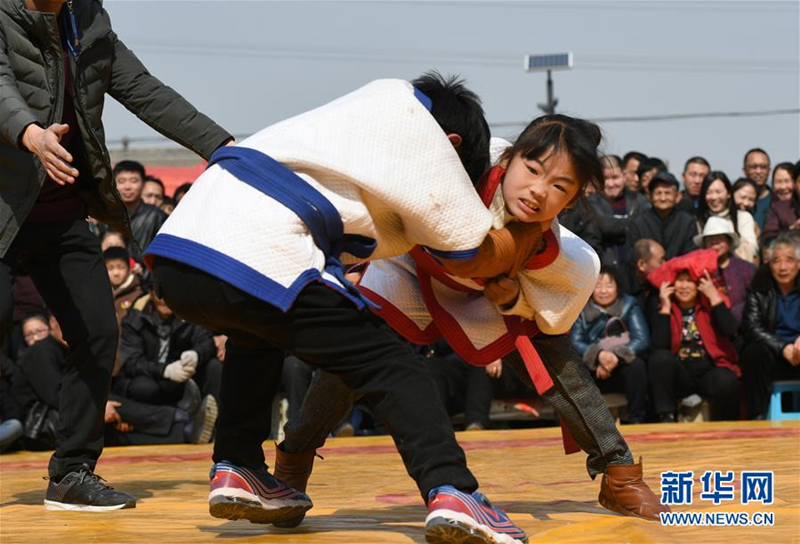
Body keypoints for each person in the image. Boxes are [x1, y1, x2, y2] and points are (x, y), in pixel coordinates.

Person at [146, 74, 532, 543]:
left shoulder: (361, 112)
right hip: (259, 250)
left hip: (176, 256)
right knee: (392, 366)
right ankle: (453, 490)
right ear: (451, 143)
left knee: (255, 333)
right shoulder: (423, 132)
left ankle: (238, 465)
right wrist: (533, 234)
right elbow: (470, 245)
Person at [270, 119, 668, 528]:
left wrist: (512, 298)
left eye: (559, 186)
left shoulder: (569, 259)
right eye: (533, 170)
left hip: (491, 294)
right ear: (509, 158)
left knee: (559, 362)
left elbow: (552, 324)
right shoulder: (467, 160)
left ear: (569, 203)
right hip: (413, 259)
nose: (538, 191)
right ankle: (293, 459)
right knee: (356, 355)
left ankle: (619, 473)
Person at [0, 0, 232, 510]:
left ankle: (72, 472)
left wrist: (222, 147)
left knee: (99, 330)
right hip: (2, 207)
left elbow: (145, 90)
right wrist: (29, 133)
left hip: (59, 211)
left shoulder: (88, 19)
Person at [647, 250, 741, 422]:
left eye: (689, 281)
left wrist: (713, 296)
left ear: (698, 284)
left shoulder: (709, 304)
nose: (684, 286)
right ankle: (665, 417)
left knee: (726, 380)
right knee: (659, 359)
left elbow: (730, 330)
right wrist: (665, 308)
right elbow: (659, 346)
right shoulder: (665, 306)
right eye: (680, 281)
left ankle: (728, 424)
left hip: (709, 370)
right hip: (681, 372)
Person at [570, 266, 649, 423]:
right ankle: (584, 425)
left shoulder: (629, 305)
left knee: (637, 366)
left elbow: (642, 339)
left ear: (618, 287)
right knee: (573, 369)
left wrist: (615, 356)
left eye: (609, 285)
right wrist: (599, 355)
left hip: (620, 366)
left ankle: (637, 419)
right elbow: (575, 342)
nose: (603, 291)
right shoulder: (581, 307)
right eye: (598, 286)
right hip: (593, 369)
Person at [741, 234, 800, 418]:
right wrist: (782, 347)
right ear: (769, 264)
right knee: (753, 352)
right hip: (774, 355)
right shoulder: (759, 287)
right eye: (776, 261)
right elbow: (751, 327)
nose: (783, 267)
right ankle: (758, 415)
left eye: (789, 260)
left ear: (799, 263)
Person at [589, 155, 650, 275]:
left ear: (624, 175)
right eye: (605, 178)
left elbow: (645, 224)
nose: (611, 184)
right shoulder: (590, 203)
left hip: (634, 273)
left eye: (615, 177)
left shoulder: (639, 201)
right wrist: (631, 223)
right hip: (603, 274)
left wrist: (616, 225)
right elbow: (603, 225)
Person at [693, 217, 756, 326]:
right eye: (710, 239)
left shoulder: (747, 269)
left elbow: (755, 302)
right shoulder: (698, 270)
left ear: (729, 241)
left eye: (720, 238)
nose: (715, 243)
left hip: (744, 327)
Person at [626, 171, 697, 260]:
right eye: (658, 193)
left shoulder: (687, 222)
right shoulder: (638, 223)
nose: (663, 198)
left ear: (677, 197)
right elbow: (633, 256)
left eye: (667, 193)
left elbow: (691, 255)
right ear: (650, 197)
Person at [697, 171, 759, 263]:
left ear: (729, 194)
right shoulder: (699, 220)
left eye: (718, 192)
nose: (714, 197)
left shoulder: (743, 218)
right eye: (709, 192)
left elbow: (750, 251)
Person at [113, 160, 168, 263]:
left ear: (143, 184)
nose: (127, 187)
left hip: (147, 276)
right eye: (121, 181)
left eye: (134, 181)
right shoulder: (106, 216)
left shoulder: (156, 216)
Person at [105, 247, 144, 326]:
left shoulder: (138, 296)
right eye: (110, 268)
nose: (116, 273)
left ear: (129, 269)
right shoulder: (97, 294)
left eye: (121, 267)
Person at [762, 162, 800, 244]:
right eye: (778, 182)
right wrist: (792, 231)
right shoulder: (777, 209)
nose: (783, 187)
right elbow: (768, 239)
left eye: (787, 181)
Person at [629, 239, 666, 321]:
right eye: (661, 261)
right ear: (642, 264)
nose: (665, 264)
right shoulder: (622, 288)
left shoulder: (659, 287)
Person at [743, 148, 772, 230]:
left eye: (763, 167)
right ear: (744, 170)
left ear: (769, 171)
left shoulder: (776, 202)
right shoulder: (734, 201)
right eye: (753, 167)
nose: (758, 171)